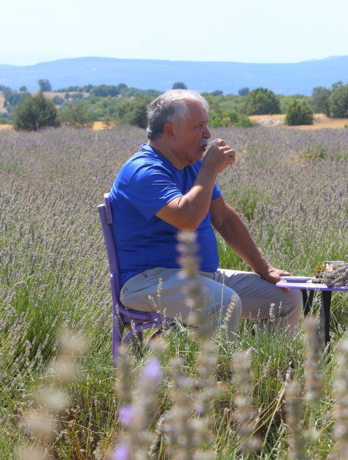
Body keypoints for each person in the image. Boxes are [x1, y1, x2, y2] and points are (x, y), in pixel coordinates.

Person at [108, 89, 302, 334]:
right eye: (198, 126)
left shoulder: (192, 166)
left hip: (203, 277)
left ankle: (267, 367)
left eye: (206, 126)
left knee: (287, 297)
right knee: (222, 301)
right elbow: (186, 218)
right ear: (170, 131)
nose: (207, 135)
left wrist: (265, 269)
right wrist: (210, 169)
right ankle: (219, 371)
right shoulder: (143, 171)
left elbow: (224, 219)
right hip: (148, 282)